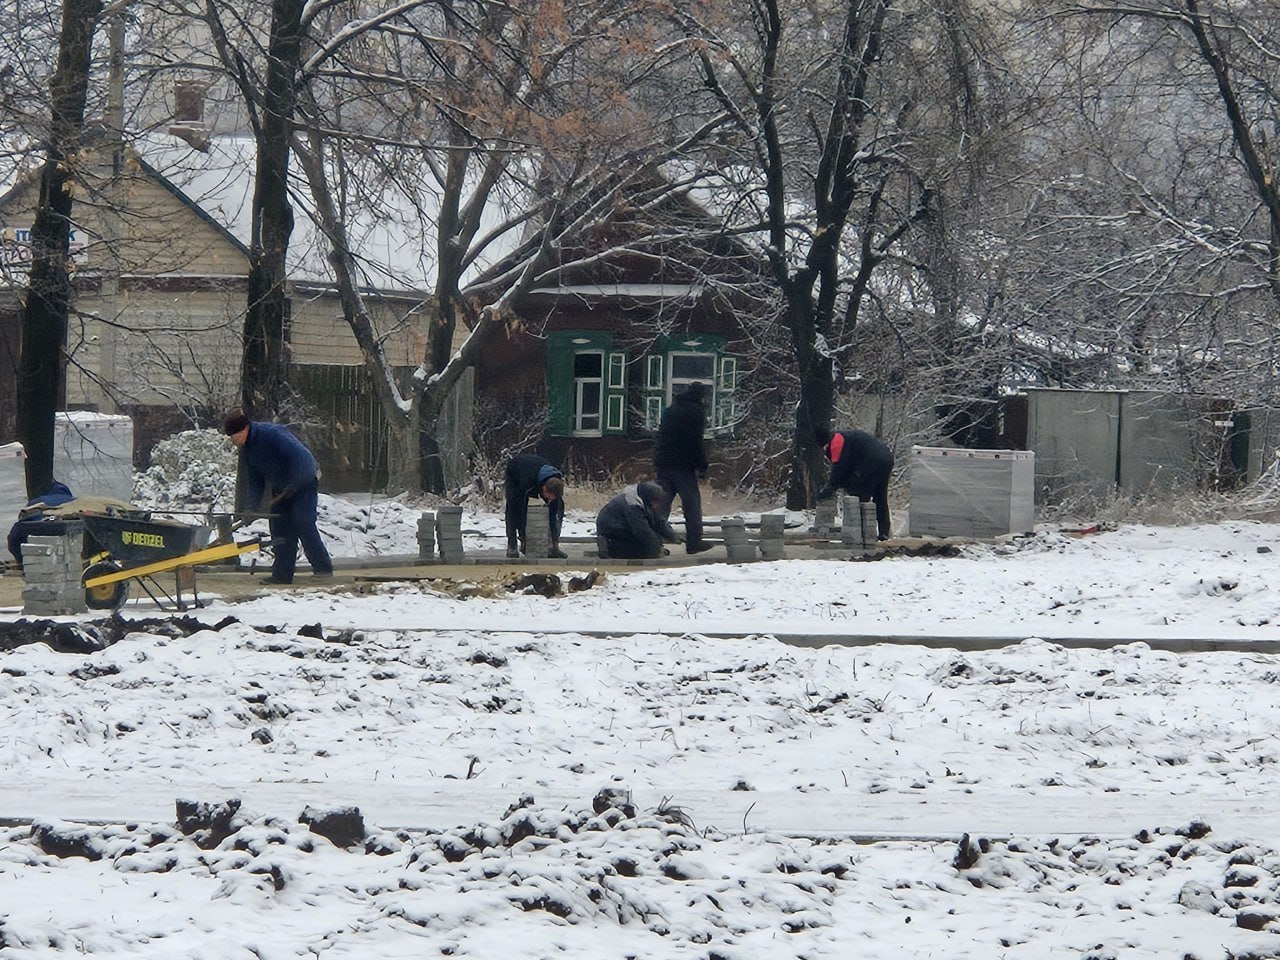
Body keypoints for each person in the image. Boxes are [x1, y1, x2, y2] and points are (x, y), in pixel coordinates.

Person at [225, 410, 333, 584]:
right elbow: (255, 481)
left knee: (302, 521)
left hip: (303, 482)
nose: (233, 441)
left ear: (245, 428)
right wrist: (251, 508)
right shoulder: (248, 451)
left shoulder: (272, 434)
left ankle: (323, 568)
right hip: (281, 488)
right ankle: (282, 575)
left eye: (234, 436)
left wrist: (294, 484)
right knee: (280, 528)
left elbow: (301, 457)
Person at [654, 381, 714, 554]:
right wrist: (702, 465)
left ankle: (654, 541)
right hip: (683, 466)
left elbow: (660, 436)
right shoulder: (696, 412)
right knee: (692, 505)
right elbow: (695, 441)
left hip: (664, 462)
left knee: (661, 504)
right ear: (701, 396)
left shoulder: (670, 409)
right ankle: (694, 543)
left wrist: (658, 460)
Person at [815, 426, 894, 540]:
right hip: (886, 458)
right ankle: (884, 533)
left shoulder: (836, 442)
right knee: (880, 498)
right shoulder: (845, 438)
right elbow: (847, 468)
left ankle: (860, 534)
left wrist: (830, 487)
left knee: (859, 496)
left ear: (825, 443)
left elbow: (839, 468)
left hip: (872, 460)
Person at [595, 481, 682, 559]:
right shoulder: (632, 505)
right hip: (612, 529)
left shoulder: (645, 501)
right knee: (645, 551)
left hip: (625, 527)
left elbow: (658, 521)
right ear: (649, 499)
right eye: (655, 502)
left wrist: (672, 535)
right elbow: (642, 531)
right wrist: (655, 549)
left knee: (649, 544)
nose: (656, 505)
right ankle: (607, 545)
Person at [504, 453, 567, 559]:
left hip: (536, 470)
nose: (550, 500)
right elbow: (522, 512)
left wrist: (554, 543)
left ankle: (554, 547)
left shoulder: (555, 485)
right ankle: (512, 545)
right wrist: (525, 539)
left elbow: (552, 516)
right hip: (515, 471)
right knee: (513, 507)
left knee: (558, 508)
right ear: (544, 489)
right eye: (549, 497)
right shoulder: (526, 483)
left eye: (552, 498)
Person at [7, 480, 75, 570]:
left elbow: (15, 537)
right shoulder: (75, 501)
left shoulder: (37, 501)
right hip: (67, 529)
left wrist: (21, 561)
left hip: (37, 527)